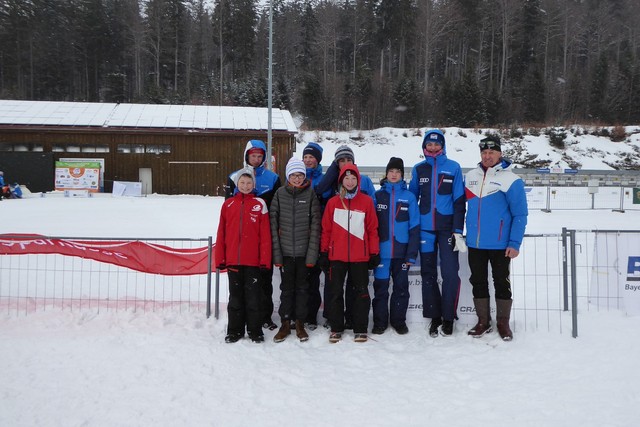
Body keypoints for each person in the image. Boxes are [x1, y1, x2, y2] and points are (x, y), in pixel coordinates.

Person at [464, 135, 528, 341]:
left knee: (502, 282)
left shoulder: (511, 180)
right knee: (478, 281)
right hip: (475, 243)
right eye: (484, 152)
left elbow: (520, 214)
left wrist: (515, 243)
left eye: (491, 152)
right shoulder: (470, 176)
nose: (487, 156)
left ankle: (503, 322)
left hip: (501, 244)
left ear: (500, 153)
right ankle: (483, 320)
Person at [409, 129, 466, 337]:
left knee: (450, 273)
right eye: (429, 145)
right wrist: (412, 227)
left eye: (436, 144)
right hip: (425, 229)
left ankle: (449, 317)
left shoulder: (453, 168)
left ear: (442, 146)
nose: (432, 148)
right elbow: (411, 200)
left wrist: (458, 230)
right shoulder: (419, 169)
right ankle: (435, 317)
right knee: (428, 273)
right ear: (424, 147)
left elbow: (460, 201)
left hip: (447, 230)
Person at [315, 145, 376, 329]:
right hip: (337, 254)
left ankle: (357, 324)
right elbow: (326, 229)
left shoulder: (365, 199)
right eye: (346, 178)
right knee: (335, 293)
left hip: (359, 255)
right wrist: (324, 252)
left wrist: (373, 252)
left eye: (353, 178)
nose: (350, 181)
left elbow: (372, 228)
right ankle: (336, 325)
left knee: (359, 292)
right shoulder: (333, 201)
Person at [225, 139, 282, 331]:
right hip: (241, 241)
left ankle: (265, 317)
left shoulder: (273, 178)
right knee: (239, 287)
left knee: (264, 282)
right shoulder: (234, 177)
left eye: (260, 156)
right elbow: (229, 210)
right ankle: (239, 321)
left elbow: (277, 208)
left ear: (264, 157)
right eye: (253, 156)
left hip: (264, 236)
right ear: (246, 156)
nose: (256, 159)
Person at [215, 167, 272, 344]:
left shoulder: (259, 204)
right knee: (235, 298)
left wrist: (264, 260)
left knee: (254, 299)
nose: (245, 186)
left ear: (253, 185)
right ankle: (234, 331)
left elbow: (265, 236)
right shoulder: (228, 204)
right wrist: (220, 258)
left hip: (253, 263)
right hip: (233, 261)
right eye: (242, 182)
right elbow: (221, 233)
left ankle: (255, 331)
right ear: (237, 184)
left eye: (249, 183)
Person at [270, 158, 321, 342]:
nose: (297, 179)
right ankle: (285, 323)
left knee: (302, 289)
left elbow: (316, 227)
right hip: (285, 253)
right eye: (293, 175)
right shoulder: (279, 194)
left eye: (300, 175)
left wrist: (311, 256)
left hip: (303, 253)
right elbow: (273, 225)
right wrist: (277, 254)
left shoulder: (311, 195)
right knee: (286, 289)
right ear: (288, 176)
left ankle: (300, 322)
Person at [372, 157, 420, 335]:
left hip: (402, 253)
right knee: (381, 289)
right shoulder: (378, 196)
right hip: (382, 253)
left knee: (401, 289)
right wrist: (373, 251)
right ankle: (380, 322)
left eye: (397, 171)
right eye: (391, 171)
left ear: (402, 174)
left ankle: (398, 321)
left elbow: (414, 228)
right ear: (386, 174)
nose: (394, 174)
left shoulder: (409, 197)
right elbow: (372, 226)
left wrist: (411, 255)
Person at [301, 142, 332, 329]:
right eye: (305, 157)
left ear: (318, 159)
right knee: (306, 278)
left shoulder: (325, 178)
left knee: (318, 277)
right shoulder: (297, 176)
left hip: (321, 233)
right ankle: (305, 315)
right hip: (302, 234)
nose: (308, 160)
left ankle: (316, 316)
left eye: (311, 157)